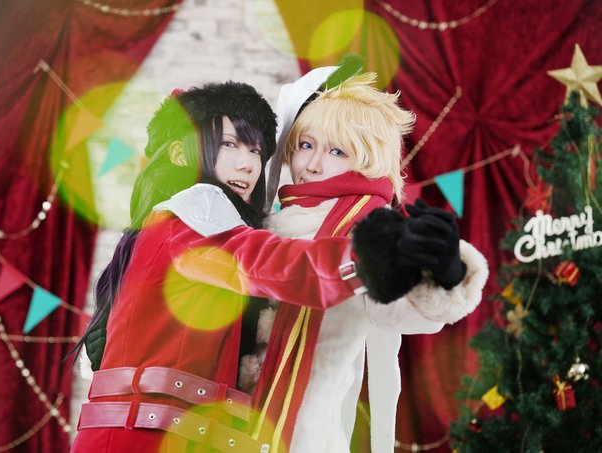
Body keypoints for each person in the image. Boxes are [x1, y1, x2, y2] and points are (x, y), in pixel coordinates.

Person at [70, 81, 425, 453]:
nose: (247, 164)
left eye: (256, 150)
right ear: (180, 152)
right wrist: (369, 255)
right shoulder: (197, 208)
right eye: (229, 144)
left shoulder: (170, 221)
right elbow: (282, 267)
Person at [247, 69, 489, 453]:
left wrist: (446, 274)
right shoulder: (265, 220)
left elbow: (393, 309)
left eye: (337, 152)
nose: (312, 165)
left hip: (304, 438)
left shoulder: (366, 229)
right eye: (306, 145)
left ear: (368, 161)